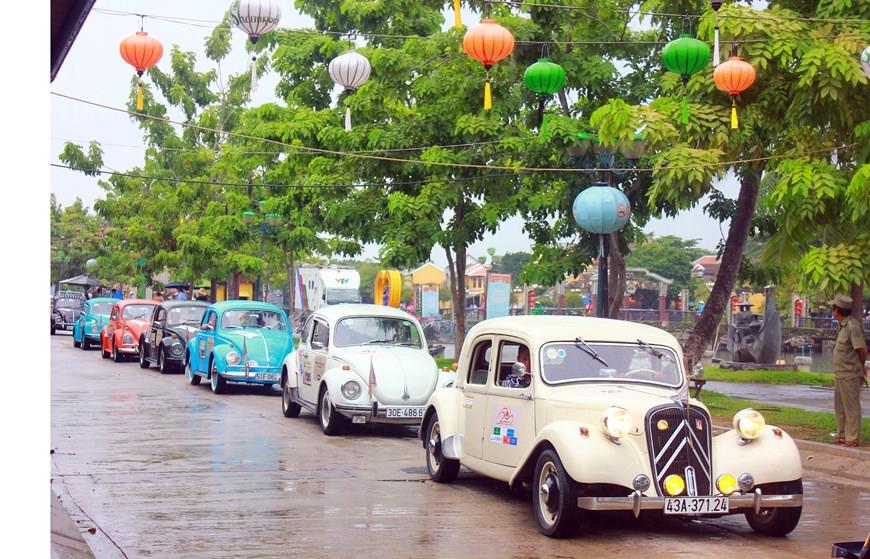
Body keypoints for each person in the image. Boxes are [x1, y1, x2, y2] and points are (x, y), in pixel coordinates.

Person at [829, 293, 867, 448]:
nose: (832, 311)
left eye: (833, 308)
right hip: (840, 373)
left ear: (836, 310)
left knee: (851, 407)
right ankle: (842, 434)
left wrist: (861, 367)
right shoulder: (843, 325)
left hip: (850, 373)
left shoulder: (852, 326)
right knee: (840, 407)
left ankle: (852, 437)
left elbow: (862, 350)